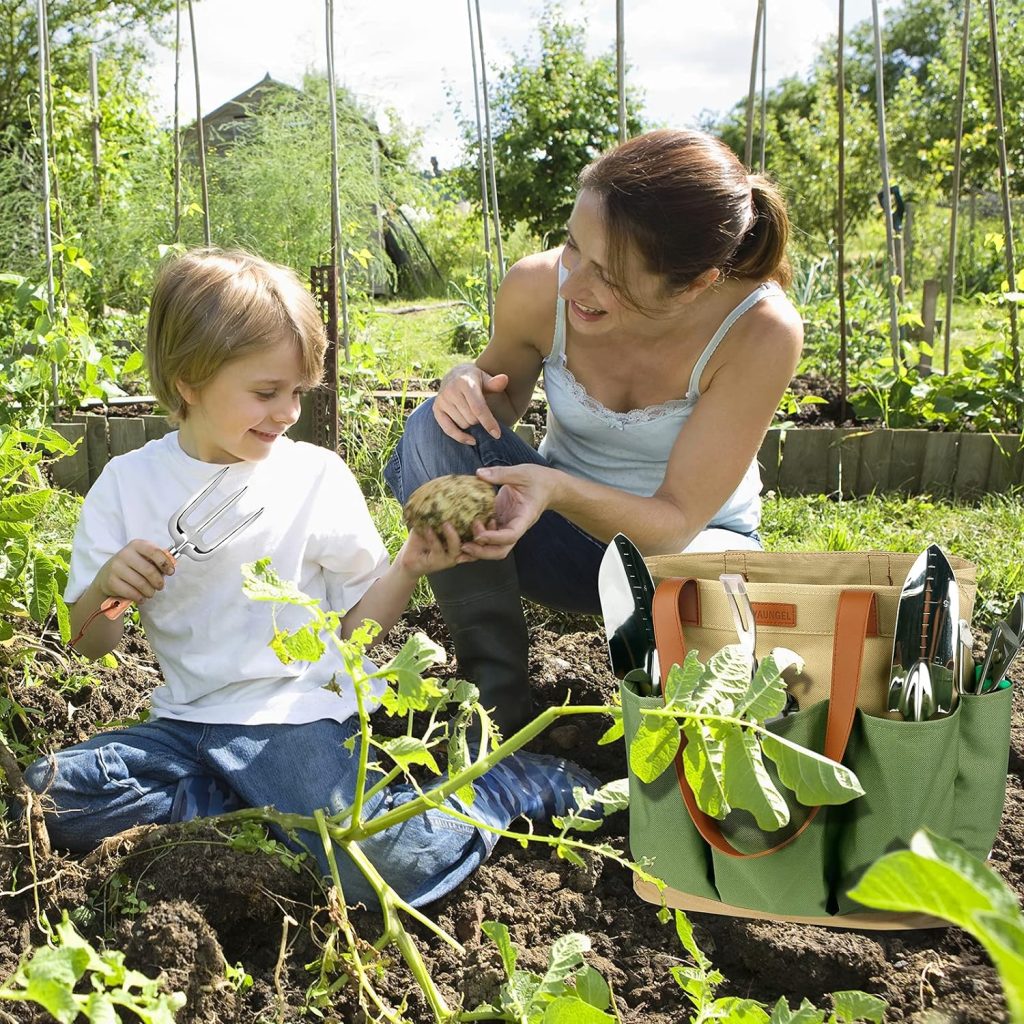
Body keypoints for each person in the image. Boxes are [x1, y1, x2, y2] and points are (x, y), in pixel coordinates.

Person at [22, 248, 598, 909]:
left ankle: (504, 786)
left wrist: (407, 565)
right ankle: (253, 813)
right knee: (44, 797)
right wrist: (106, 592)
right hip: (185, 725)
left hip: (293, 718)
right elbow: (88, 642)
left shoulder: (313, 477)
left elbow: (355, 632)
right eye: (266, 393)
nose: (288, 412)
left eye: (297, 392)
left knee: (390, 869)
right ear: (188, 380)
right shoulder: (127, 485)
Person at [385, 129, 803, 738]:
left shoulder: (759, 331)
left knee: (703, 588)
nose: (573, 283)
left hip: (675, 558)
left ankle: (662, 729)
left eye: (610, 276)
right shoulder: (537, 287)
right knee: (433, 428)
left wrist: (556, 488)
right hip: (549, 538)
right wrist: (466, 381)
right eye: (573, 247)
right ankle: (495, 701)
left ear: (695, 284)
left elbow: (677, 519)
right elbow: (494, 402)